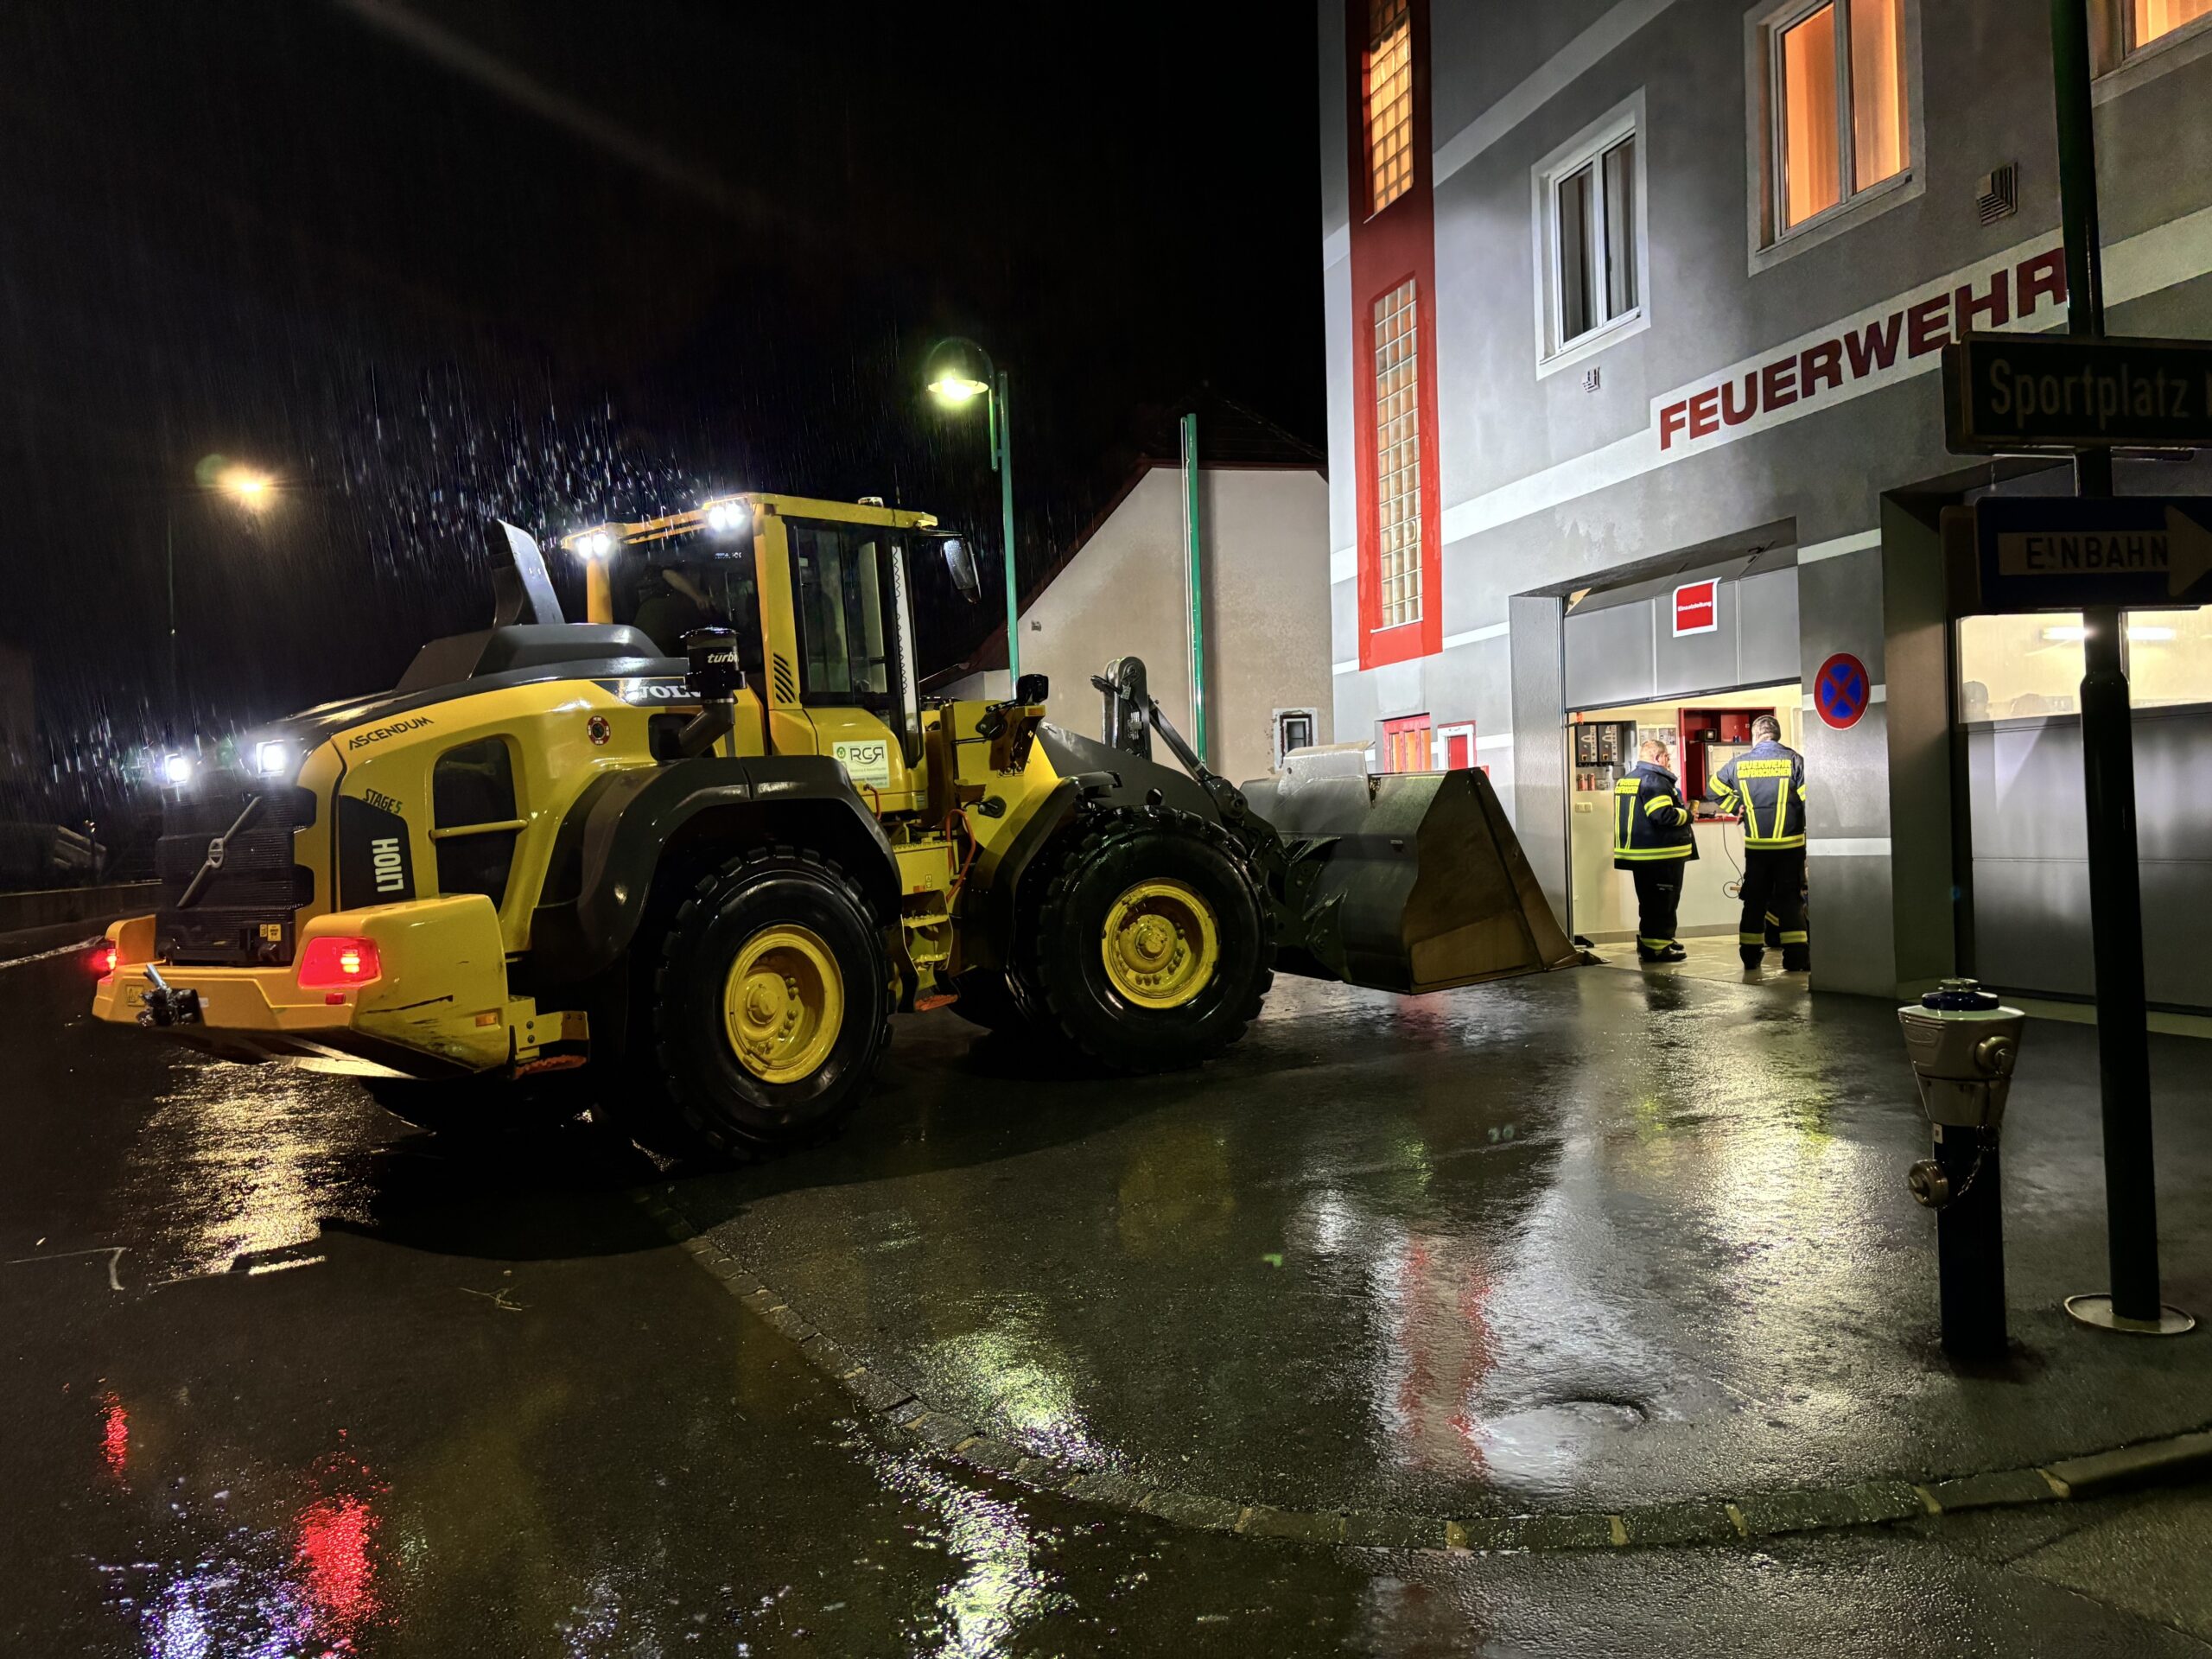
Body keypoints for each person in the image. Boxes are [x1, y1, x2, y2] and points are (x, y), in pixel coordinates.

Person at [1711, 714, 1808, 972]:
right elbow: (1809, 799)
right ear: (1777, 735)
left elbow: (1713, 788)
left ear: (1754, 736)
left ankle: (1750, 956)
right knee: (1790, 901)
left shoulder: (1738, 764)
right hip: (1790, 848)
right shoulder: (1794, 760)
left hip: (1756, 849)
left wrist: (1737, 807)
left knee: (1754, 902)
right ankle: (1796, 959)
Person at [1612, 736, 1696, 963]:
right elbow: (1663, 815)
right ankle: (1658, 948)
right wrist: (1688, 815)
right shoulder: (1655, 781)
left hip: (1639, 853)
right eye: (1667, 758)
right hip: (1661, 854)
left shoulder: (1628, 779)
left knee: (1649, 901)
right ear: (1659, 757)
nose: (1669, 762)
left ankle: (1655, 939)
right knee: (1663, 902)